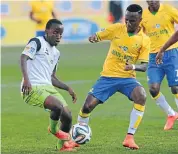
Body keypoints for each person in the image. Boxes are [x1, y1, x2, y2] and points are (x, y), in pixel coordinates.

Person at [77, 4, 150, 150]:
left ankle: (129, 138)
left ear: (140, 20)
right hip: (107, 77)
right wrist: (94, 37)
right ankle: (77, 136)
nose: (128, 23)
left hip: (127, 78)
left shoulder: (144, 40)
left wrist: (133, 67)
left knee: (141, 96)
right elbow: (99, 35)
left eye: (132, 21)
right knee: (87, 106)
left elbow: (144, 65)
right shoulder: (116, 28)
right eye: (127, 20)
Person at [20, 19, 79, 152]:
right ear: (47, 31)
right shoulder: (37, 42)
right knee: (57, 106)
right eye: (55, 32)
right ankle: (54, 130)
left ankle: (62, 146)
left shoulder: (56, 53)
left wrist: (67, 88)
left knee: (68, 116)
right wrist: (26, 80)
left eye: (61, 34)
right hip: (32, 87)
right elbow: (23, 57)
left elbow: (51, 77)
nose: (58, 36)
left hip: (48, 87)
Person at [141, 1, 178, 131]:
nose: (152, 1)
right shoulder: (143, 15)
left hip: (171, 53)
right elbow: (138, 35)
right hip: (153, 56)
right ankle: (171, 114)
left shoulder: (169, 10)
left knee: (175, 87)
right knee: (153, 88)